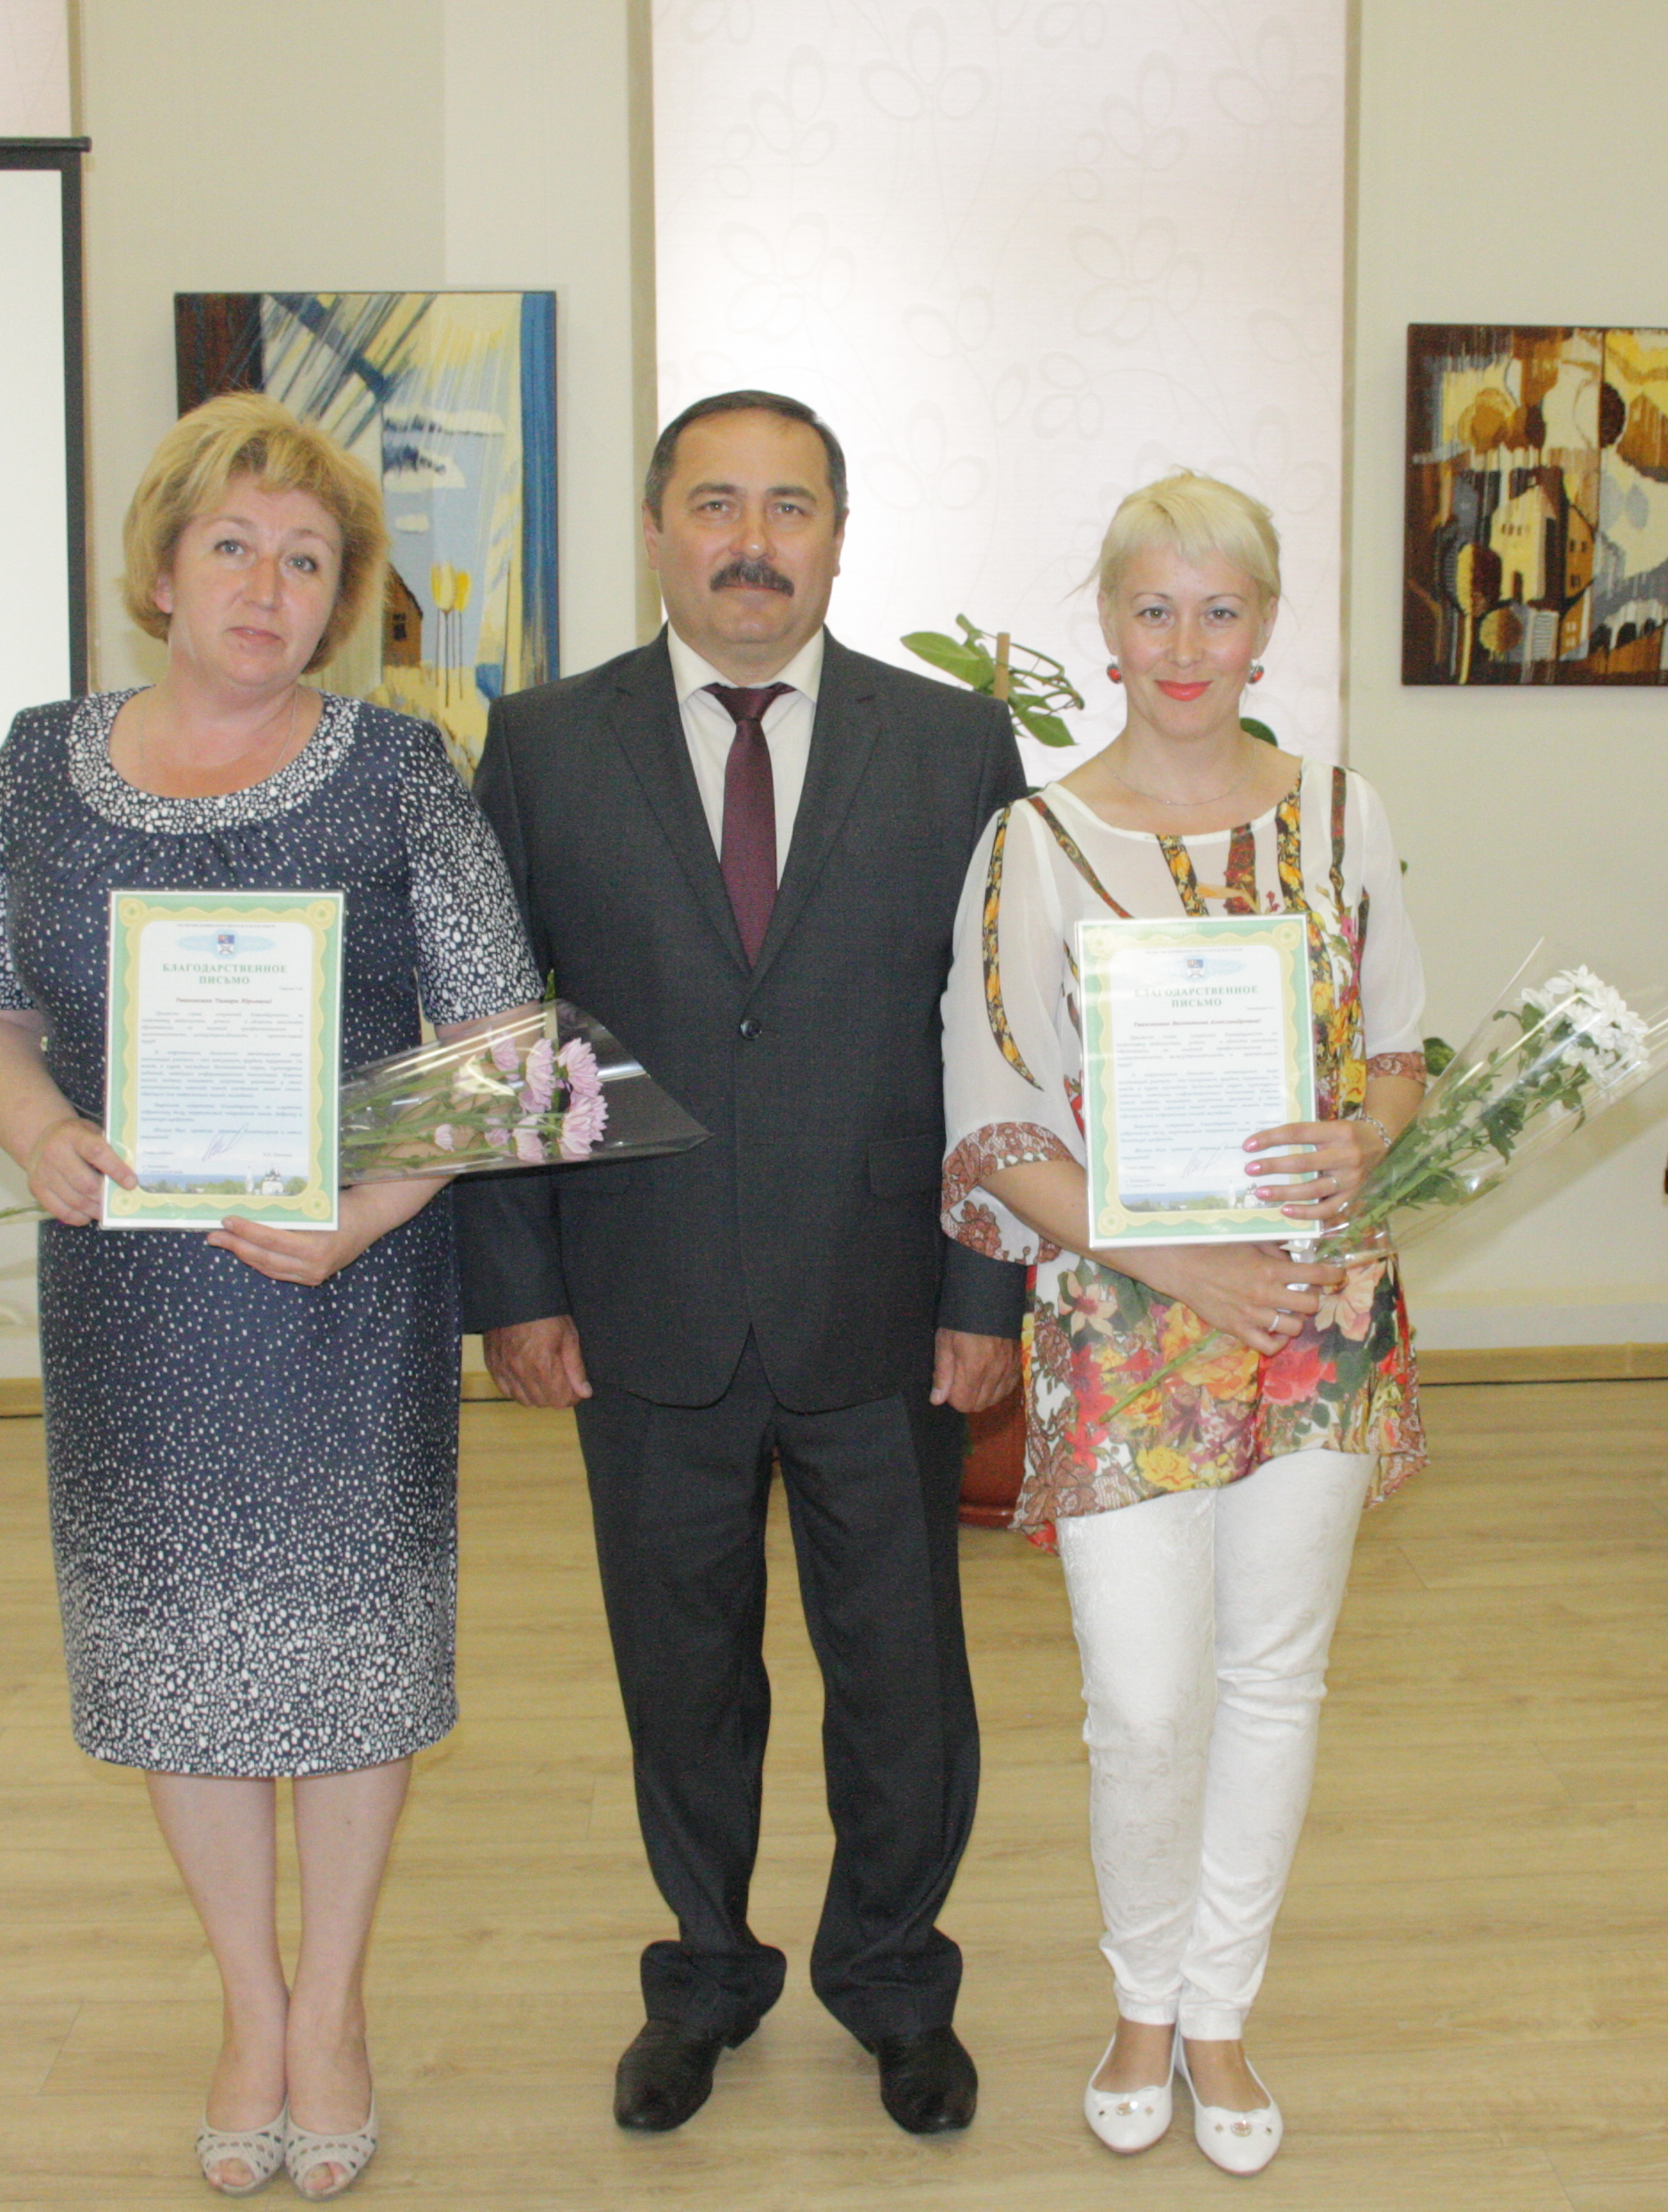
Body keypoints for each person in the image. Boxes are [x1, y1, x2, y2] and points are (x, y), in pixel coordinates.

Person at [0, 392, 541, 2200]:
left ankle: (331, 2009)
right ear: (163, 569)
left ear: (341, 597)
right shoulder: (38, 762)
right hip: (132, 1295)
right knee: (175, 1660)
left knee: (347, 1662)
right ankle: (247, 2007)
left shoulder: (399, 767)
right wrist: (36, 1129)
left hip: (344, 1287)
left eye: (308, 561)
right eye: (233, 548)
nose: (269, 588)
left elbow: (505, 1045)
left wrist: (369, 1209)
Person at [458, 389, 1028, 2136]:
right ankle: (704, 1973)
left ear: (839, 537)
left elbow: (1003, 1038)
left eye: (790, 506)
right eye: (716, 503)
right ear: (657, 529)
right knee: (680, 1672)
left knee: (902, 1677)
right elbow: (497, 1027)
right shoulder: (544, 744)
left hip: (885, 1302)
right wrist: (517, 1285)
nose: (753, 542)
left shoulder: (956, 747)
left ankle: (894, 1980)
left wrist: (985, 1288)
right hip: (642, 1305)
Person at [937, 470, 1427, 2175]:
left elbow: (1397, 1051)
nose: (1187, 643)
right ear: (1109, 623)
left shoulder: (1344, 815)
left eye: (1221, 609)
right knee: (1144, 1702)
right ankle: (1138, 1991)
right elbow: (997, 1120)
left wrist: (1366, 1133)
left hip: (1314, 1310)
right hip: (1123, 1327)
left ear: (1266, 625)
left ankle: (1214, 2013)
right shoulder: (1036, 841)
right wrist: (1180, 1266)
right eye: (1155, 608)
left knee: (1273, 1675)